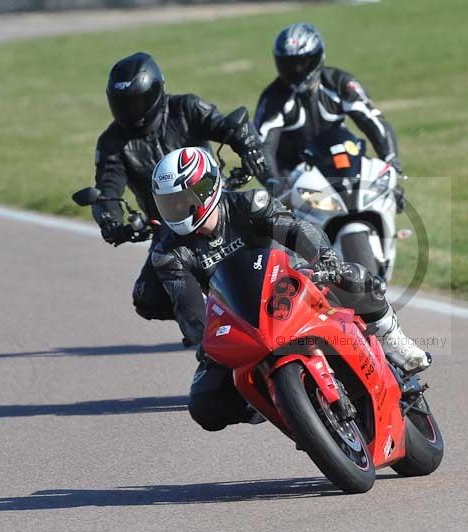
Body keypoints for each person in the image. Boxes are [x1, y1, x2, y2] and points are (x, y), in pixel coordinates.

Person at [150, 147, 430, 431]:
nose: (176, 210)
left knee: (354, 277)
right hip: (244, 319)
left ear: (207, 190)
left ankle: (394, 341)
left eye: (182, 201)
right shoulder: (168, 253)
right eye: (169, 204)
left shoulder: (250, 204)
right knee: (204, 404)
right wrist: (206, 344)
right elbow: (188, 309)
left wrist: (324, 258)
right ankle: (281, 405)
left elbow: (295, 228)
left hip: (292, 284)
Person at [91, 52, 268, 329]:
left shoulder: (187, 108)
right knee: (147, 298)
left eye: (135, 102)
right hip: (168, 225)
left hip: (216, 209)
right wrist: (110, 220)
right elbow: (107, 188)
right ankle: (208, 326)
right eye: (122, 104)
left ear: (155, 93)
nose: (130, 110)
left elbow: (226, 127)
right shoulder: (113, 142)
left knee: (272, 236)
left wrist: (248, 148)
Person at [254, 23, 404, 194]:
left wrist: (390, 159)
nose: (295, 70)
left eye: (302, 63)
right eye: (288, 64)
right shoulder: (273, 98)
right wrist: (274, 183)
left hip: (341, 164)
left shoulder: (340, 83)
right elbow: (263, 146)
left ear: (317, 58)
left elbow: (374, 121)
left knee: (383, 197)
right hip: (296, 178)